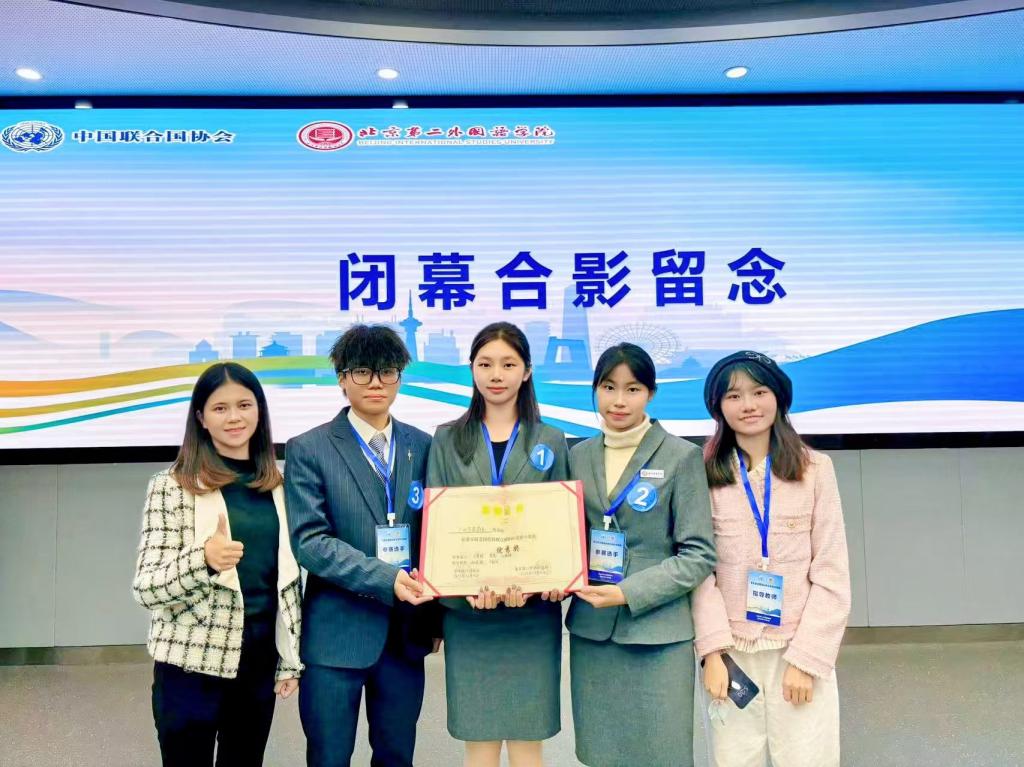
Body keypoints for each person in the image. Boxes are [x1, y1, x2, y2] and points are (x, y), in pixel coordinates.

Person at [132, 361, 302, 767]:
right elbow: (147, 587)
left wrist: (289, 660)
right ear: (201, 418)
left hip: (257, 663)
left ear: (259, 411)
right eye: (220, 408)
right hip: (190, 667)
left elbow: (288, 583)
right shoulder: (172, 487)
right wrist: (203, 561)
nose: (234, 417)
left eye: (244, 405)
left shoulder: (281, 487)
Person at [285, 324, 440, 767]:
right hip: (336, 635)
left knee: (396, 756)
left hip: (404, 635)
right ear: (342, 378)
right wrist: (386, 578)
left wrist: (438, 618)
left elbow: (437, 534)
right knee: (329, 758)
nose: (376, 382)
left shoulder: (424, 446)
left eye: (387, 371)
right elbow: (310, 542)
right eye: (362, 371)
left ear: (399, 377)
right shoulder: (309, 448)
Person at [692, 350, 851, 767]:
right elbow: (699, 574)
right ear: (718, 407)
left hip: (797, 649)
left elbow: (832, 573)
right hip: (731, 656)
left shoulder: (816, 469)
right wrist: (712, 653)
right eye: (733, 396)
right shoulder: (703, 473)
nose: (748, 405)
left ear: (778, 397)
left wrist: (807, 660)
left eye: (759, 392)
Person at [426, 321, 569, 767]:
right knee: (479, 742)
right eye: (485, 364)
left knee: (528, 743)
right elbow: (435, 527)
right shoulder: (446, 438)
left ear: (527, 371)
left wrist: (554, 580)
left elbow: (563, 527)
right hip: (470, 615)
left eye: (508, 364)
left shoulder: (551, 439)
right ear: (471, 369)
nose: (496, 375)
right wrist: (460, 587)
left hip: (531, 617)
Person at [566, 342, 716, 767]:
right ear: (595, 390)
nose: (619, 400)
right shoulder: (577, 455)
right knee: (601, 751)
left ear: (650, 393)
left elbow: (698, 553)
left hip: (658, 634)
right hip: (593, 632)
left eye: (632, 389)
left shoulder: (681, 456)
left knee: (661, 752)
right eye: (608, 387)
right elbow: (563, 535)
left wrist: (628, 593)